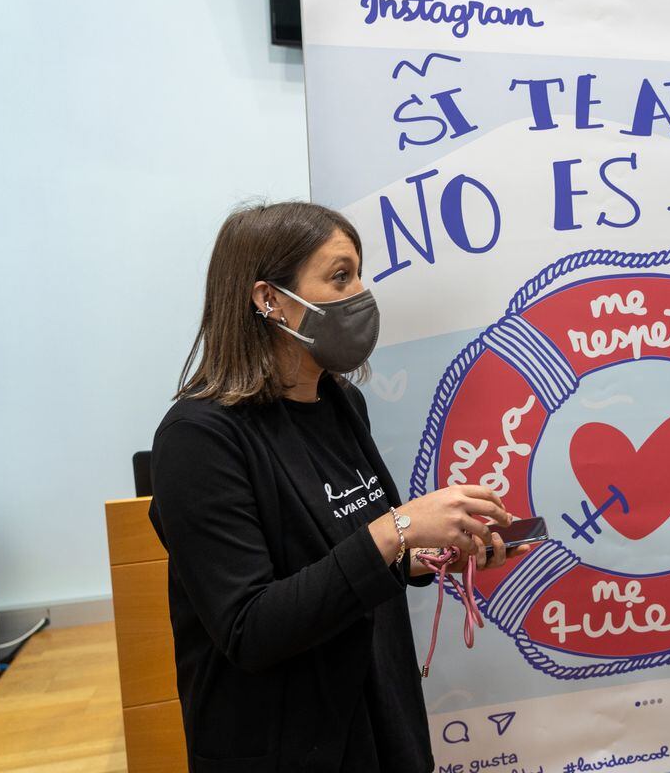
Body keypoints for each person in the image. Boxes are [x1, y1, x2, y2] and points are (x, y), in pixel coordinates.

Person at [149, 201, 529, 772]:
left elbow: (340, 562)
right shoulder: (196, 439)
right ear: (268, 299)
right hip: (286, 743)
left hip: (381, 717)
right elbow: (250, 627)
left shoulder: (340, 402)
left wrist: (431, 553)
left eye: (359, 273)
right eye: (340, 276)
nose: (360, 292)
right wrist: (398, 528)